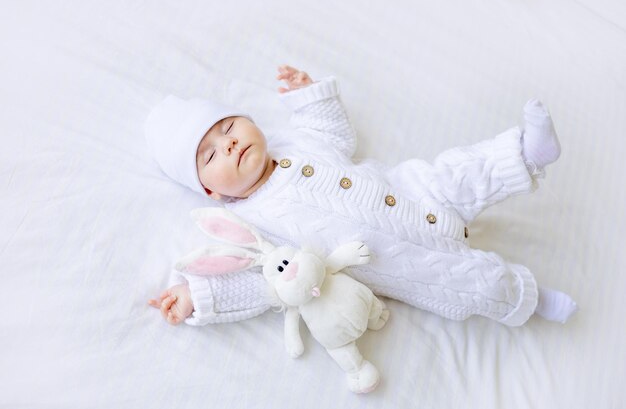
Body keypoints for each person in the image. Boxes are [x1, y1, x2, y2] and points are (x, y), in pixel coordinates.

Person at [146, 65, 577, 327]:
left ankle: (528, 153)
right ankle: (533, 299)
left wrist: (308, 95)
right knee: (470, 286)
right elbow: (262, 278)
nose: (229, 144)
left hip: (410, 189)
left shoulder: (296, 145)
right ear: (211, 190)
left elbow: (334, 134)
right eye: (211, 154)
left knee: (458, 171)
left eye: (228, 128)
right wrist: (197, 297)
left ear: (250, 122)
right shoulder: (254, 225)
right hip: (403, 267)